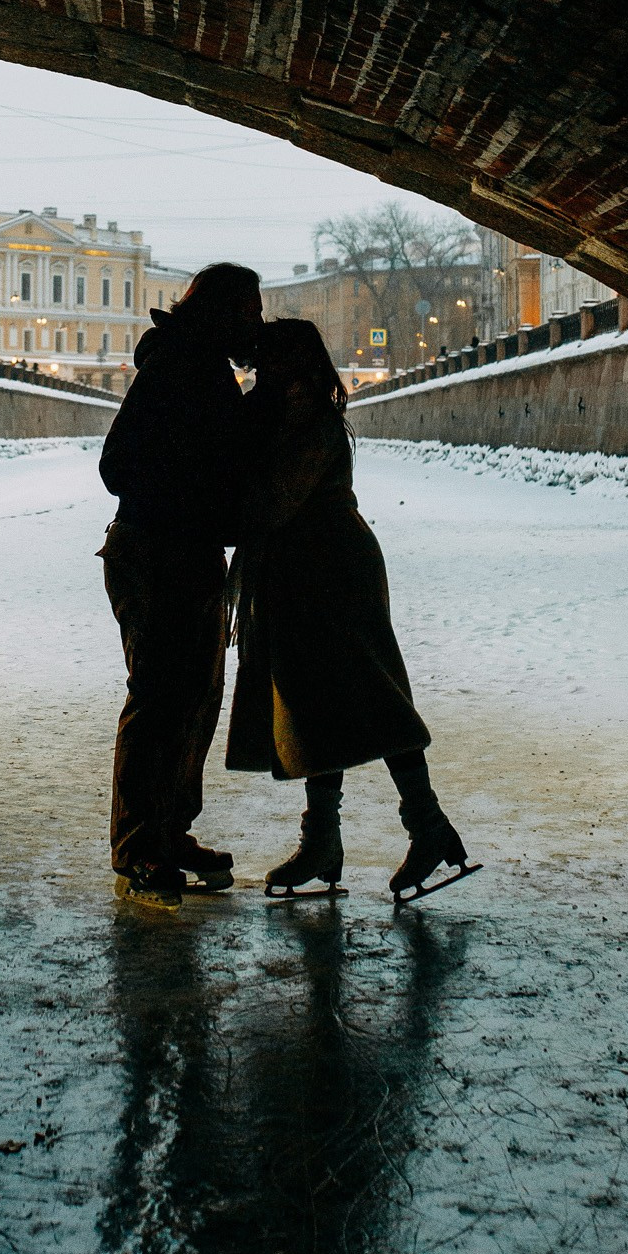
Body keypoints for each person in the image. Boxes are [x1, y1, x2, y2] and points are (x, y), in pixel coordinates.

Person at [224, 318, 473, 903]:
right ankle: (325, 843)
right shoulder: (288, 413)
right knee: (315, 708)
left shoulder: (307, 420)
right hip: (299, 571)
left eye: (267, 364)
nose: (257, 374)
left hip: (332, 571)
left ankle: (426, 826)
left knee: (372, 694)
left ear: (294, 365)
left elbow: (271, 501)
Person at [98, 262, 264, 903]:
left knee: (194, 701)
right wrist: (196, 501)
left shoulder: (207, 370)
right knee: (161, 700)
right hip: (154, 554)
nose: (255, 321)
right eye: (248, 309)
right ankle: (139, 845)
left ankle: (168, 830)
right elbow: (117, 467)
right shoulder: (175, 368)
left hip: (188, 556)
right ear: (220, 311)